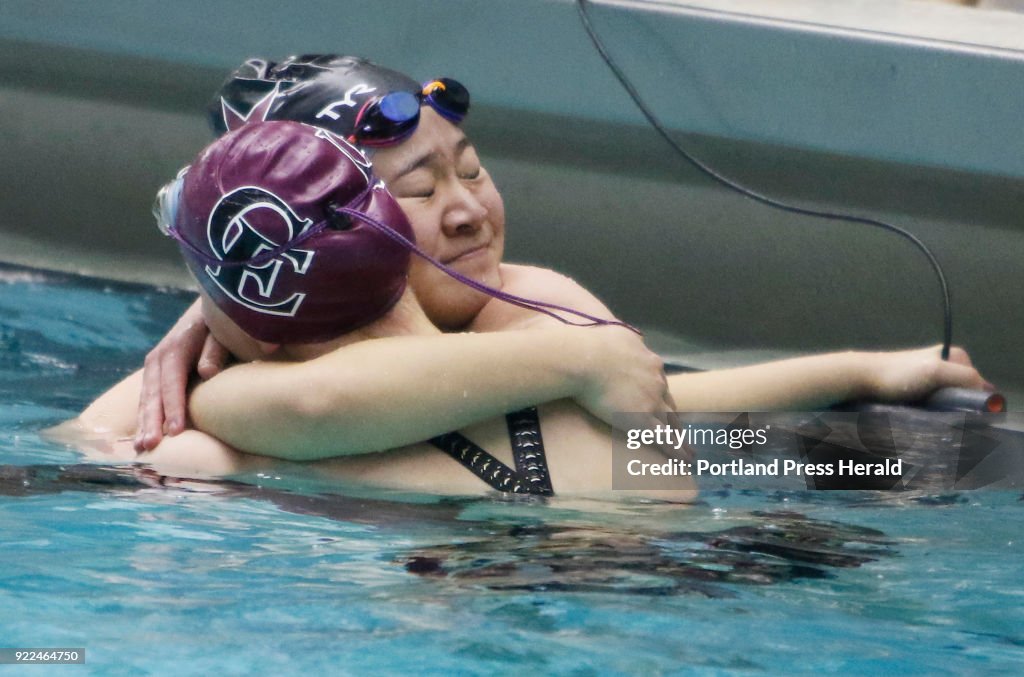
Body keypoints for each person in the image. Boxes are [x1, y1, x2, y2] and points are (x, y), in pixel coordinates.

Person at [134, 54, 991, 456]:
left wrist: (865, 370)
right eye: (425, 192)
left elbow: (653, 410)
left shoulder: (523, 303)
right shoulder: (240, 390)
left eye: (472, 168)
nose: (470, 208)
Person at [65, 119, 696, 500]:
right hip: (735, 546)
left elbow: (92, 448)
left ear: (256, 316)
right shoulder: (558, 328)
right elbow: (700, 420)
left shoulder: (235, 432)